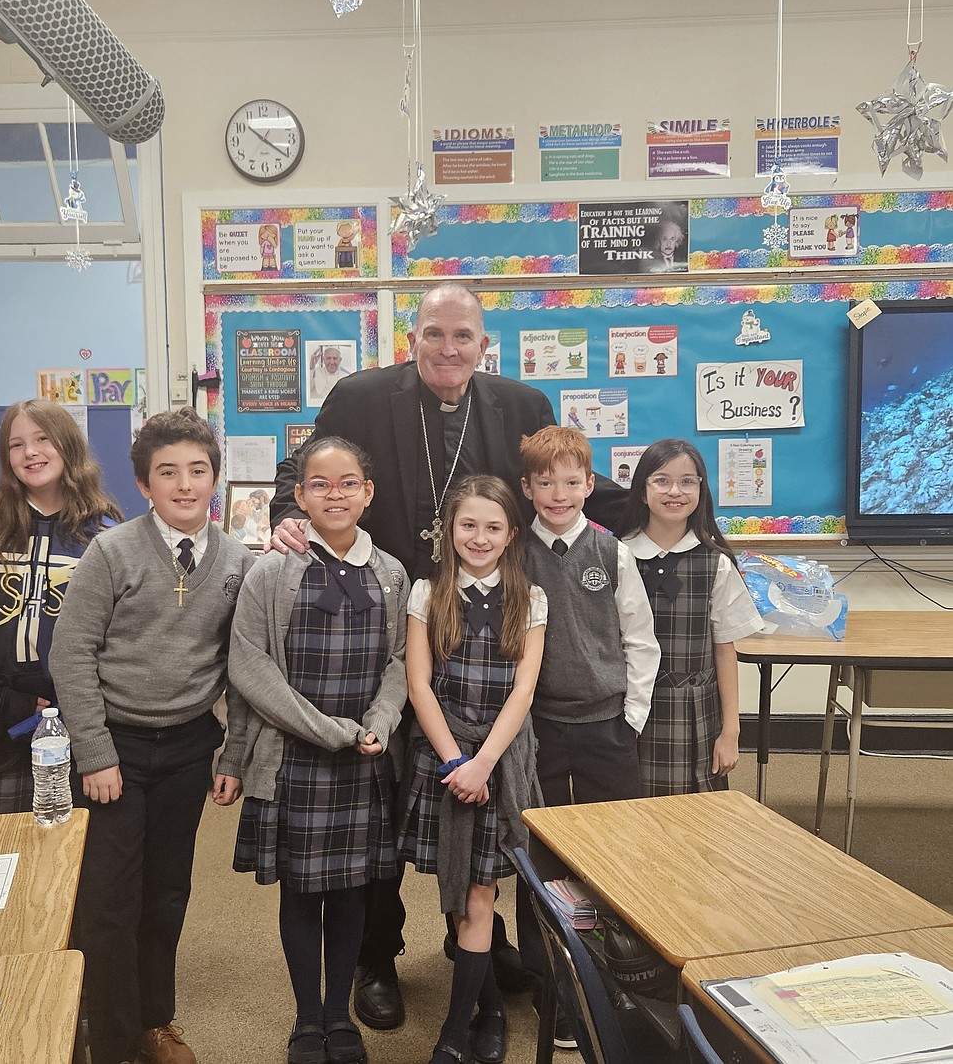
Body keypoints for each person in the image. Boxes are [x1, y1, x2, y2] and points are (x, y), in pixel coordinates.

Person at [270, 283, 627, 1028]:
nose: (448, 349)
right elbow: (302, 467)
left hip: (485, 624)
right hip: (391, 616)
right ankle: (378, 954)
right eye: (434, 334)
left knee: (484, 799)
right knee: (391, 797)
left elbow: (561, 488)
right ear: (412, 339)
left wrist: (663, 512)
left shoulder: (522, 405)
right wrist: (282, 516)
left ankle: (479, 933)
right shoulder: (361, 395)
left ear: (483, 344)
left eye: (463, 336)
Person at [50, 408, 254, 1064]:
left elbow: (245, 665)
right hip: (116, 749)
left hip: (190, 746)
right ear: (145, 484)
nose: (185, 484)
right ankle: (108, 1039)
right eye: (169, 472)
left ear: (215, 480)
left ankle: (154, 1023)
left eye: (198, 471)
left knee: (168, 890)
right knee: (110, 900)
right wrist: (95, 751)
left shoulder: (236, 561)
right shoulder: (112, 552)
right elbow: (72, 654)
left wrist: (235, 750)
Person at [222, 437, 409, 1064]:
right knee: (301, 893)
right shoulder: (270, 572)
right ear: (297, 496)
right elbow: (250, 671)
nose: (336, 494)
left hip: (364, 758)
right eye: (321, 484)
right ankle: (308, 1019)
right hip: (296, 760)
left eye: (349, 482)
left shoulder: (390, 573)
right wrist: (332, 732)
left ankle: (339, 1018)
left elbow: (401, 661)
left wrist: (377, 722)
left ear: (368, 493)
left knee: (352, 890)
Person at [515, 426, 659, 1048]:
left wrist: (631, 716)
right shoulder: (512, 550)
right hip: (538, 727)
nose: (558, 492)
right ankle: (552, 989)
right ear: (527, 488)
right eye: (544, 482)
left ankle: (625, 982)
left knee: (619, 855)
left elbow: (640, 638)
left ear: (590, 485)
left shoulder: (612, 551)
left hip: (606, 726)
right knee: (537, 859)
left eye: (571, 481)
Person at [398, 476, 545, 1064]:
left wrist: (484, 763)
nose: (478, 537)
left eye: (492, 527)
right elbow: (418, 683)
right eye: (467, 525)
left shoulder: (530, 598)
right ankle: (487, 1011)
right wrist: (456, 760)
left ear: (511, 533)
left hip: (500, 761)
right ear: (448, 531)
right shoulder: (425, 593)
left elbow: (525, 689)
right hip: (443, 758)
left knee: (480, 898)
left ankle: (453, 1037)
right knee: (457, 897)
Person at [0, 401, 121, 817]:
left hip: (81, 727)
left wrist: (89, 709)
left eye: (42, 439)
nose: (30, 452)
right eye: (16, 445)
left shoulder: (105, 536)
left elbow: (123, 635)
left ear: (68, 446)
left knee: (77, 865)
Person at [615, 439, 763, 795]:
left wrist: (731, 731)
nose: (675, 491)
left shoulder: (716, 563)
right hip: (633, 709)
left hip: (698, 713)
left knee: (697, 822)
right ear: (642, 490)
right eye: (661, 480)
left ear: (701, 489)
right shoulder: (617, 555)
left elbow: (725, 649)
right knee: (634, 816)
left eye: (688, 481)